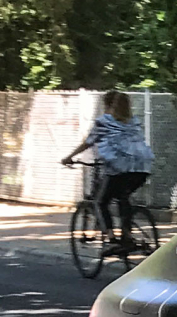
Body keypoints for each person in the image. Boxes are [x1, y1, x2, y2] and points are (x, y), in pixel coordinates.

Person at [63, 91, 155, 248]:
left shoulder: (104, 122)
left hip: (119, 168)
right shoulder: (134, 122)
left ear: (108, 105)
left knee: (100, 201)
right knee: (122, 196)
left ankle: (111, 237)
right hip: (142, 167)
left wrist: (69, 157)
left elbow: (88, 142)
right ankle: (127, 235)